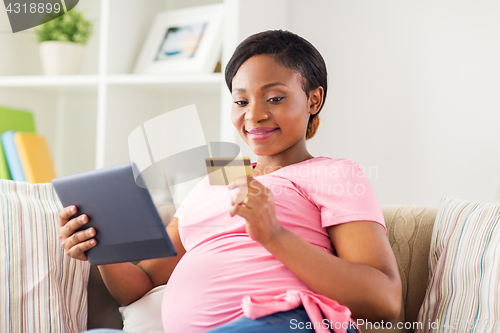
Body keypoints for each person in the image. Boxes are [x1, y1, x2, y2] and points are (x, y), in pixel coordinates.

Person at [58, 30, 401, 333]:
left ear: (313, 99)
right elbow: (144, 282)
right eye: (241, 101)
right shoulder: (219, 175)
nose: (254, 115)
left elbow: (384, 301)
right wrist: (101, 246)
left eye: (275, 98)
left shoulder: (335, 173)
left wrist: (274, 235)